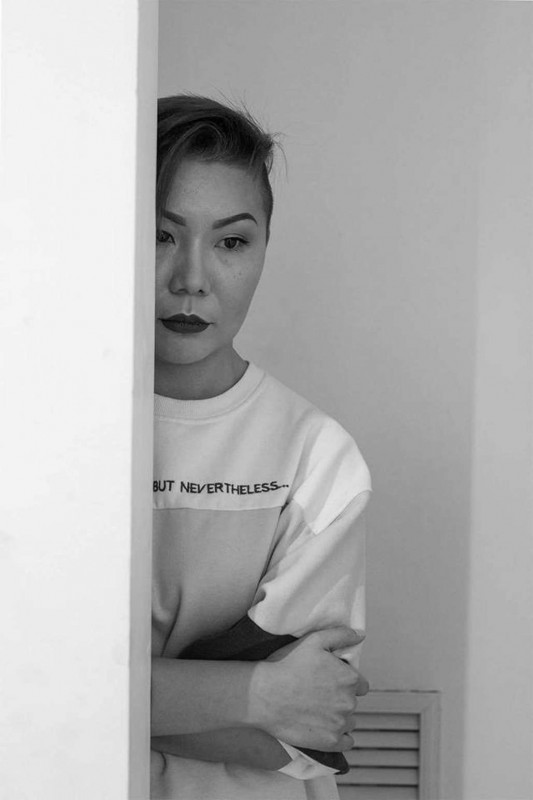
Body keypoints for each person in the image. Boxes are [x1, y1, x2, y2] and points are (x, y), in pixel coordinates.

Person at [150, 94, 372, 800]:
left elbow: (302, 729)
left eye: (231, 242)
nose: (191, 277)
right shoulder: (43, 441)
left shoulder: (317, 458)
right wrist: (256, 692)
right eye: (160, 234)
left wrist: (93, 692)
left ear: (264, 250)